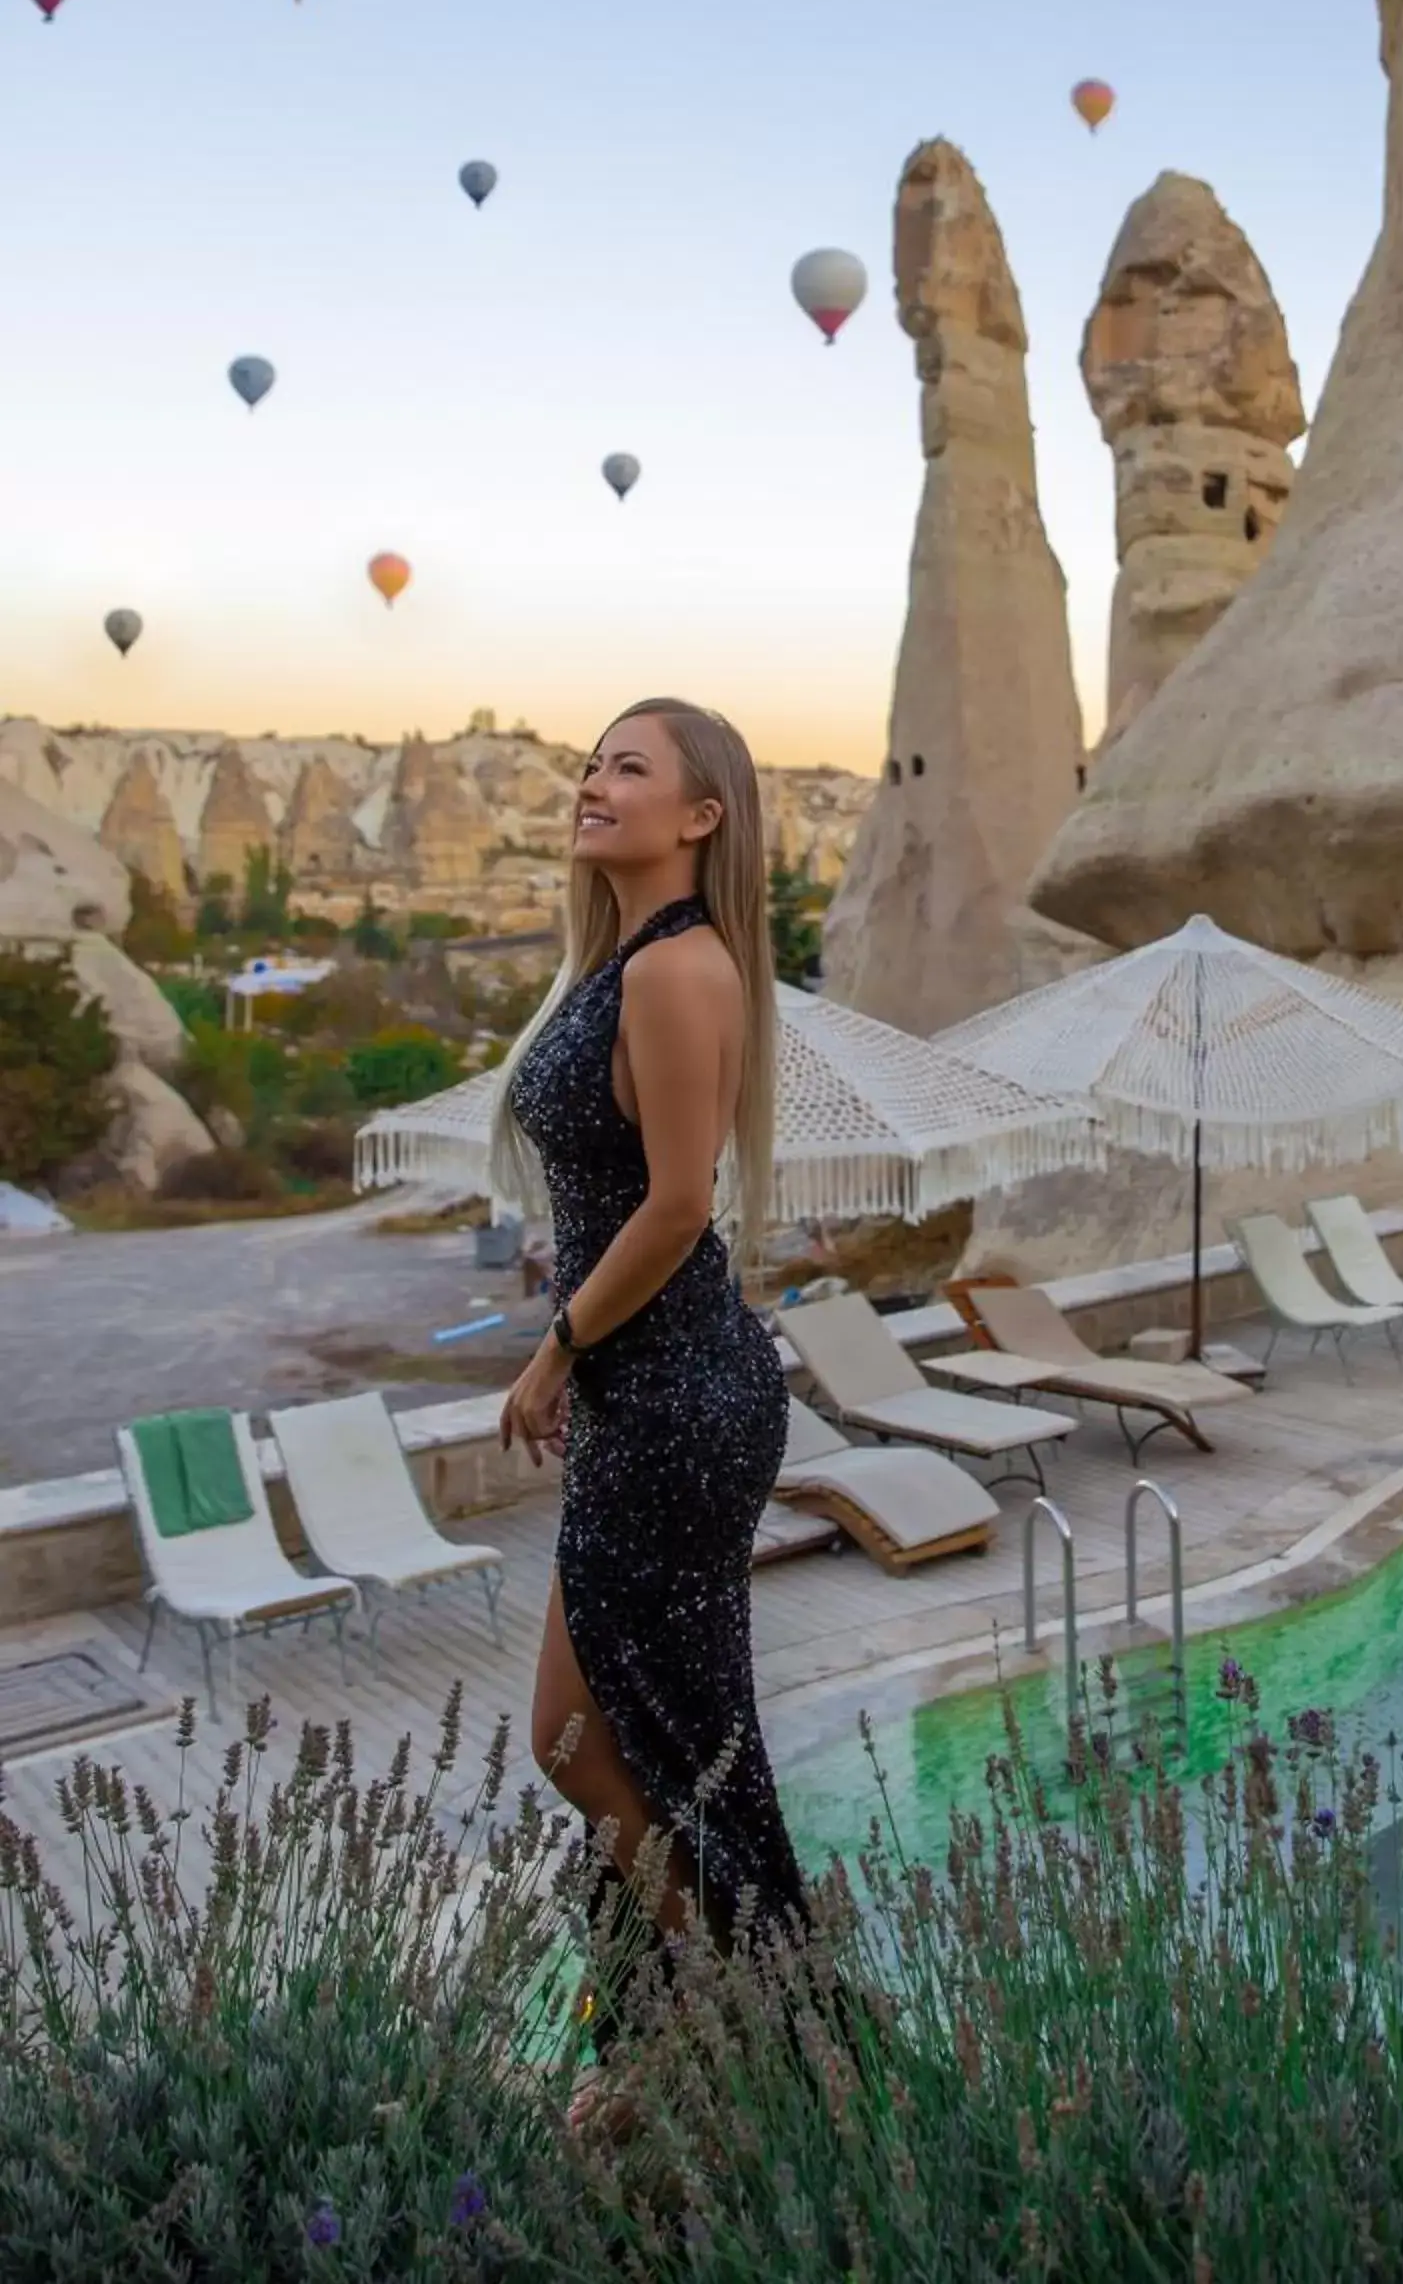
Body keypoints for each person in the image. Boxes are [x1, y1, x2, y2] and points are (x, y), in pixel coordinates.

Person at [491, 696, 807, 2117]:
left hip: (677, 1395)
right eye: (589, 763)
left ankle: (742, 2027)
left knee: (589, 1738)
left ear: (702, 816)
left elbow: (681, 1204)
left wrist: (557, 1344)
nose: (592, 783)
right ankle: (680, 2044)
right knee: (621, 1740)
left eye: (630, 768)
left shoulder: (680, 972)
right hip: (653, 1390)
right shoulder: (621, 965)